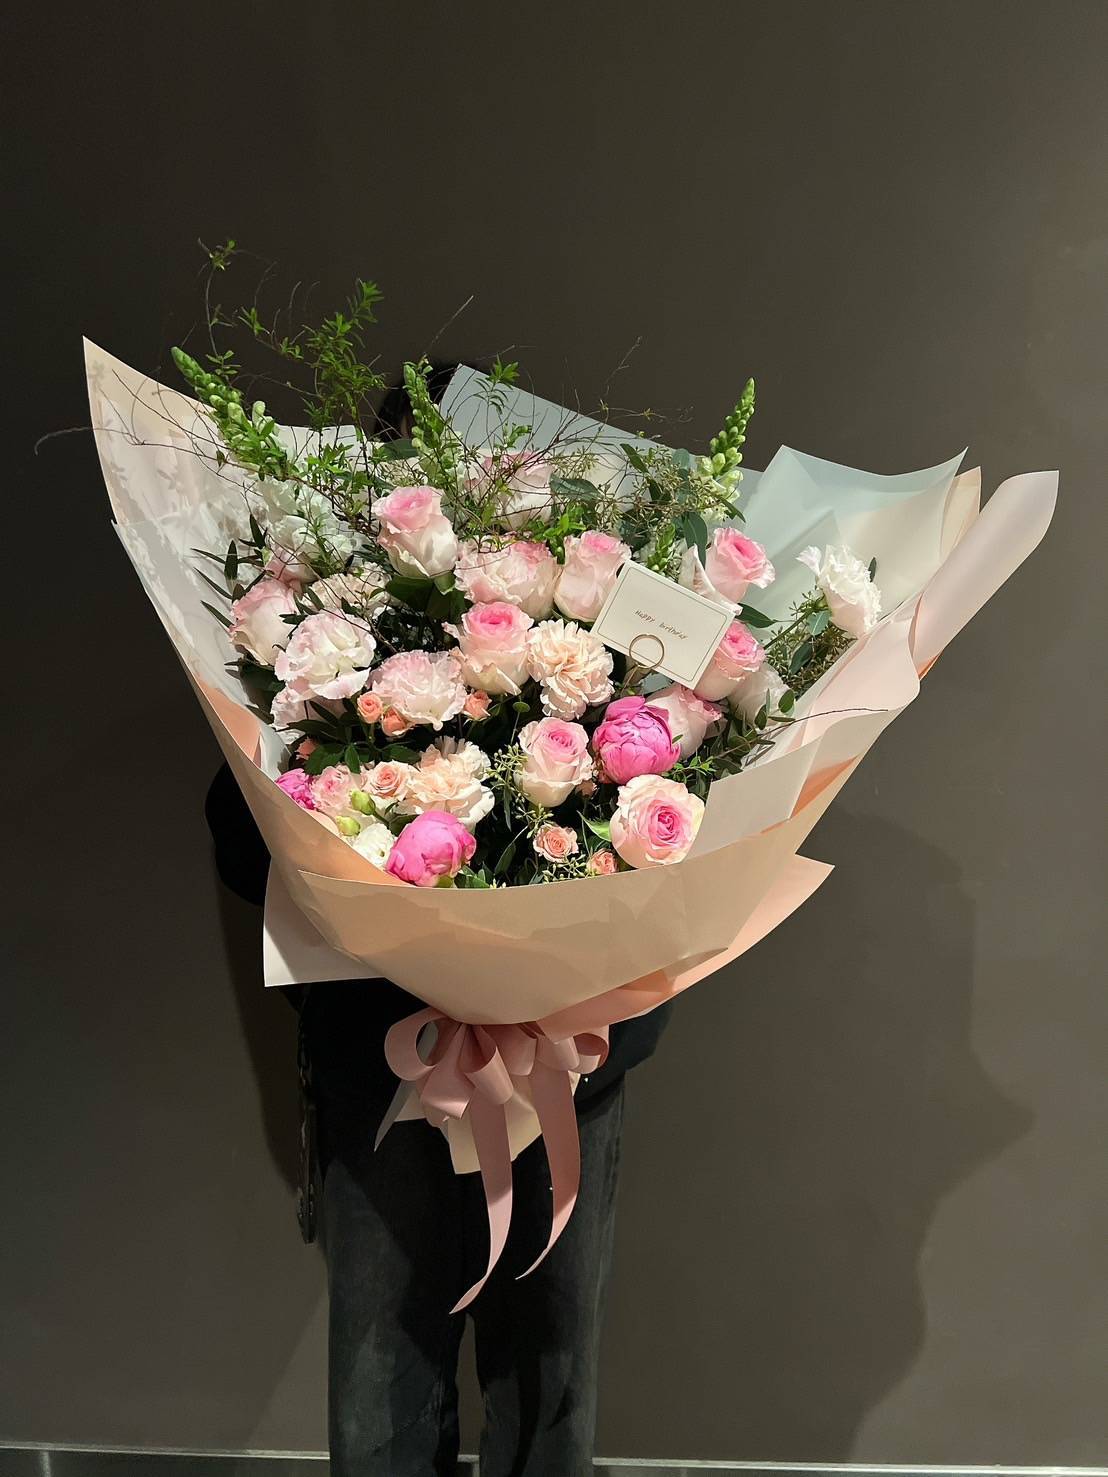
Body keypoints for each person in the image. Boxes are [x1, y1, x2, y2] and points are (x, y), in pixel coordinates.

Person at [204, 367, 674, 1476]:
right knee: (385, 1387)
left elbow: (682, 845)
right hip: (383, 1068)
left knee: (550, 1381)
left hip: (567, 1068)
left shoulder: (611, 651)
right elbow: (238, 829)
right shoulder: (319, 652)